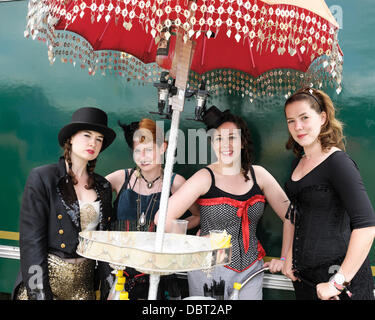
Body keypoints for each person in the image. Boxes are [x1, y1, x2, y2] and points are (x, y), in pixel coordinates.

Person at [154, 106, 293, 300]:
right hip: (208, 271)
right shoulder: (204, 177)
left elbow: (291, 216)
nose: (225, 144)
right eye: (219, 138)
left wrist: (285, 257)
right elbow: (162, 218)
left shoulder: (259, 175)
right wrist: (194, 242)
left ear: (243, 142)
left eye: (232, 138)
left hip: (251, 271)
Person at [13, 107, 116, 300]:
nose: (93, 143)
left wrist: (111, 287)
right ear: (70, 138)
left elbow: (105, 242)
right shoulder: (43, 177)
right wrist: (39, 294)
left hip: (83, 287)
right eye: (87, 135)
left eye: (99, 139)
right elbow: (31, 243)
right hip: (45, 282)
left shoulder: (103, 186)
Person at [283, 87, 375, 300]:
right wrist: (287, 256)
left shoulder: (338, 163)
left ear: (322, 118)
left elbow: (367, 227)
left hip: (339, 282)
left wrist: (337, 283)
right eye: (290, 121)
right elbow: (294, 214)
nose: (297, 127)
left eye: (304, 117)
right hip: (305, 280)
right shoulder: (298, 163)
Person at [106, 118, 200, 299]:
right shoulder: (120, 178)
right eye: (138, 151)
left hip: (159, 272)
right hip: (118, 271)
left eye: (149, 150)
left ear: (163, 147)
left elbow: (198, 216)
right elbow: (90, 198)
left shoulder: (176, 183)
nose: (143, 157)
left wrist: (174, 227)